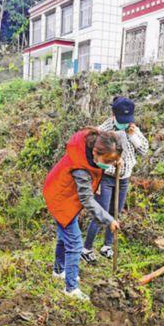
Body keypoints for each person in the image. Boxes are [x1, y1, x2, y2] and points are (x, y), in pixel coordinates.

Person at [43, 128, 122, 300]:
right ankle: (71, 289)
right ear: (95, 152)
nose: (107, 165)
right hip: (60, 198)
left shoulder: (95, 142)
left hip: (63, 193)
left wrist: (114, 160)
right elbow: (87, 199)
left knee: (65, 236)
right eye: (107, 161)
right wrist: (108, 219)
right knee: (75, 243)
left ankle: (59, 270)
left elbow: (103, 157)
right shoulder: (81, 167)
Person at [81, 97, 149, 263]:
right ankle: (86, 249)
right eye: (121, 120)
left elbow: (144, 150)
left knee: (115, 213)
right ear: (113, 115)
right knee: (101, 213)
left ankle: (107, 246)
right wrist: (104, 172)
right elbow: (94, 153)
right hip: (106, 178)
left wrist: (133, 137)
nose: (124, 124)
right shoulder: (105, 128)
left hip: (123, 178)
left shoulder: (133, 129)